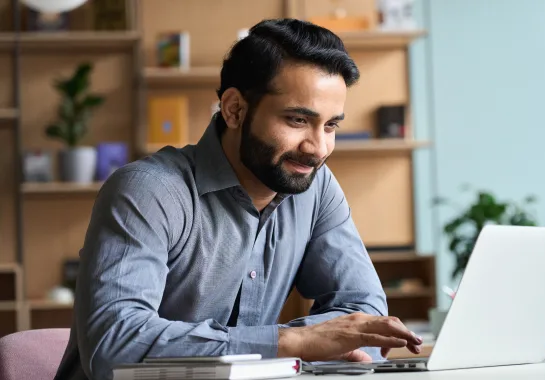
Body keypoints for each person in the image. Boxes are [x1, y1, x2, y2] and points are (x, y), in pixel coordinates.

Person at [54, 18, 423, 380]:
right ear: (234, 110)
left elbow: (365, 311)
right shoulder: (148, 191)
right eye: (297, 120)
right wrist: (292, 341)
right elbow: (114, 346)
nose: (318, 148)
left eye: (330, 126)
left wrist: (308, 343)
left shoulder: (316, 186)